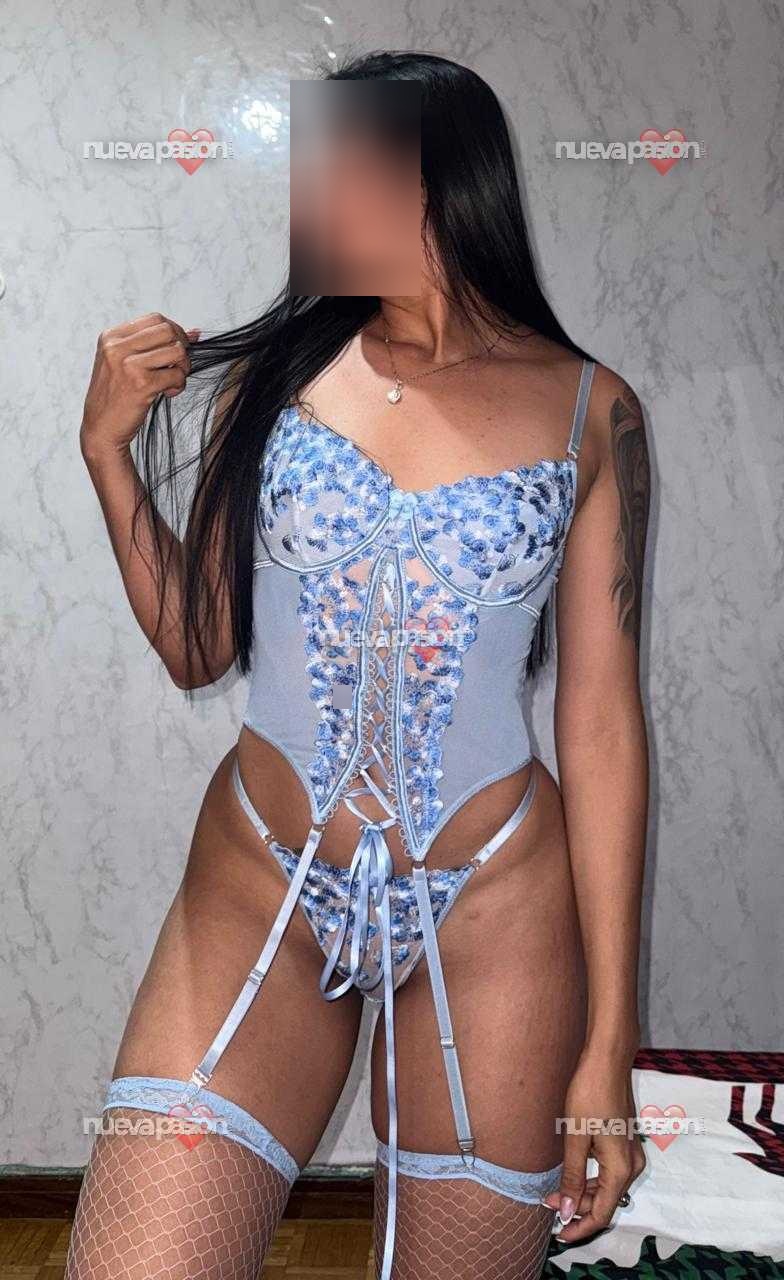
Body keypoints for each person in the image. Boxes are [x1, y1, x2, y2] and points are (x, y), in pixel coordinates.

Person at [65, 49, 650, 1280]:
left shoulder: (592, 409)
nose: (314, 203)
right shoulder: (271, 381)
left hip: (495, 910)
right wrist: (108, 456)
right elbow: (196, 646)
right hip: (260, 888)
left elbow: (600, 722)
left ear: (446, 179)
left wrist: (610, 1039)